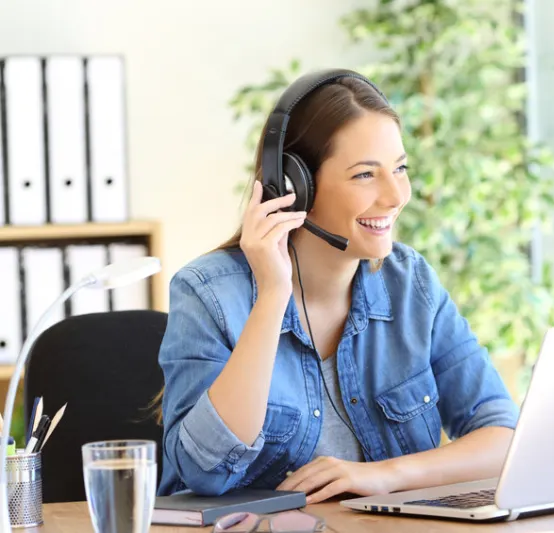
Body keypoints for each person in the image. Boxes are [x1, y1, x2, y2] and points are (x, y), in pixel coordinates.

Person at [157, 70, 520, 503]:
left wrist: (385, 475)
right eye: (366, 175)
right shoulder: (209, 293)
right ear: (295, 186)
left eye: (400, 168)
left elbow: (503, 438)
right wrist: (273, 294)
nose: (395, 196)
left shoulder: (410, 284)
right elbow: (205, 471)